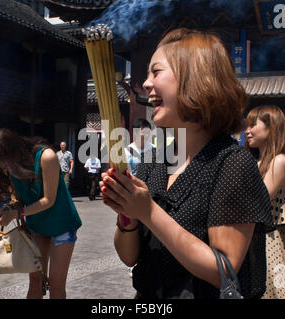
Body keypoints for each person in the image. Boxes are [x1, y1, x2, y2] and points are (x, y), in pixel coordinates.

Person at [99, 28, 274, 299]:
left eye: (156, 72)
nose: (146, 84)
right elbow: (129, 257)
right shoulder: (155, 161)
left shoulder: (232, 164)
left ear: (195, 79)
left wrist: (147, 211)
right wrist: (128, 215)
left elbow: (224, 272)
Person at [0, 129, 82, 299]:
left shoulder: (46, 156)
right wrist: (7, 209)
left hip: (62, 223)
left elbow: (49, 199)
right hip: (37, 225)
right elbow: (17, 199)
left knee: (56, 285)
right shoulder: (9, 168)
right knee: (35, 279)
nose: (4, 169)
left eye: (4, 163)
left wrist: (16, 213)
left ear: (13, 152)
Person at [245, 105, 285, 299]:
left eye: (252, 125)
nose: (247, 131)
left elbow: (260, 200)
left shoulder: (280, 161)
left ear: (271, 128)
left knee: (273, 290)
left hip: (269, 239)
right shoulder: (256, 162)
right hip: (252, 236)